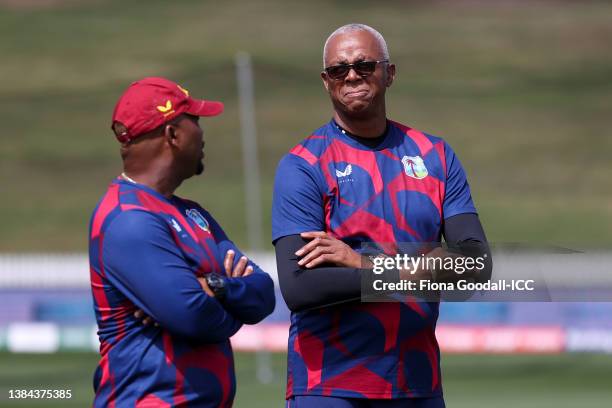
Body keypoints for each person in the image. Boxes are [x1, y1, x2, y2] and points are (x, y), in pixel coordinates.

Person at [272, 24, 491, 407]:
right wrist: (421, 267)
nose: (352, 75)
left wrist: (362, 263)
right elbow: (300, 288)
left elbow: (475, 263)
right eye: (339, 69)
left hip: (417, 383)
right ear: (326, 82)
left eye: (365, 64)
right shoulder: (304, 165)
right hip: (330, 385)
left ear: (389, 73)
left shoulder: (436, 155)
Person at [89, 77, 275, 407]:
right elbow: (193, 316)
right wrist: (231, 310)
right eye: (197, 121)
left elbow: (262, 293)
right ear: (173, 135)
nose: (203, 134)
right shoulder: (128, 220)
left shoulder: (192, 213)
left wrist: (216, 286)